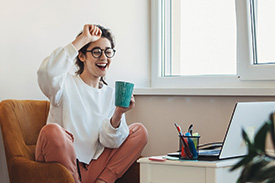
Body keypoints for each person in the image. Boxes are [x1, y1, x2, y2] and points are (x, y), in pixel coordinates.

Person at [35, 24, 148, 183]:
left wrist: (118, 113)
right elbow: (47, 72)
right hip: (65, 165)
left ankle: (103, 181)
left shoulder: (111, 94)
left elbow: (110, 142)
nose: (104, 57)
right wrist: (82, 39)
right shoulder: (65, 84)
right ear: (81, 56)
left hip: (94, 167)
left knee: (140, 131)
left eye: (108, 52)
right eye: (96, 52)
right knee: (51, 131)